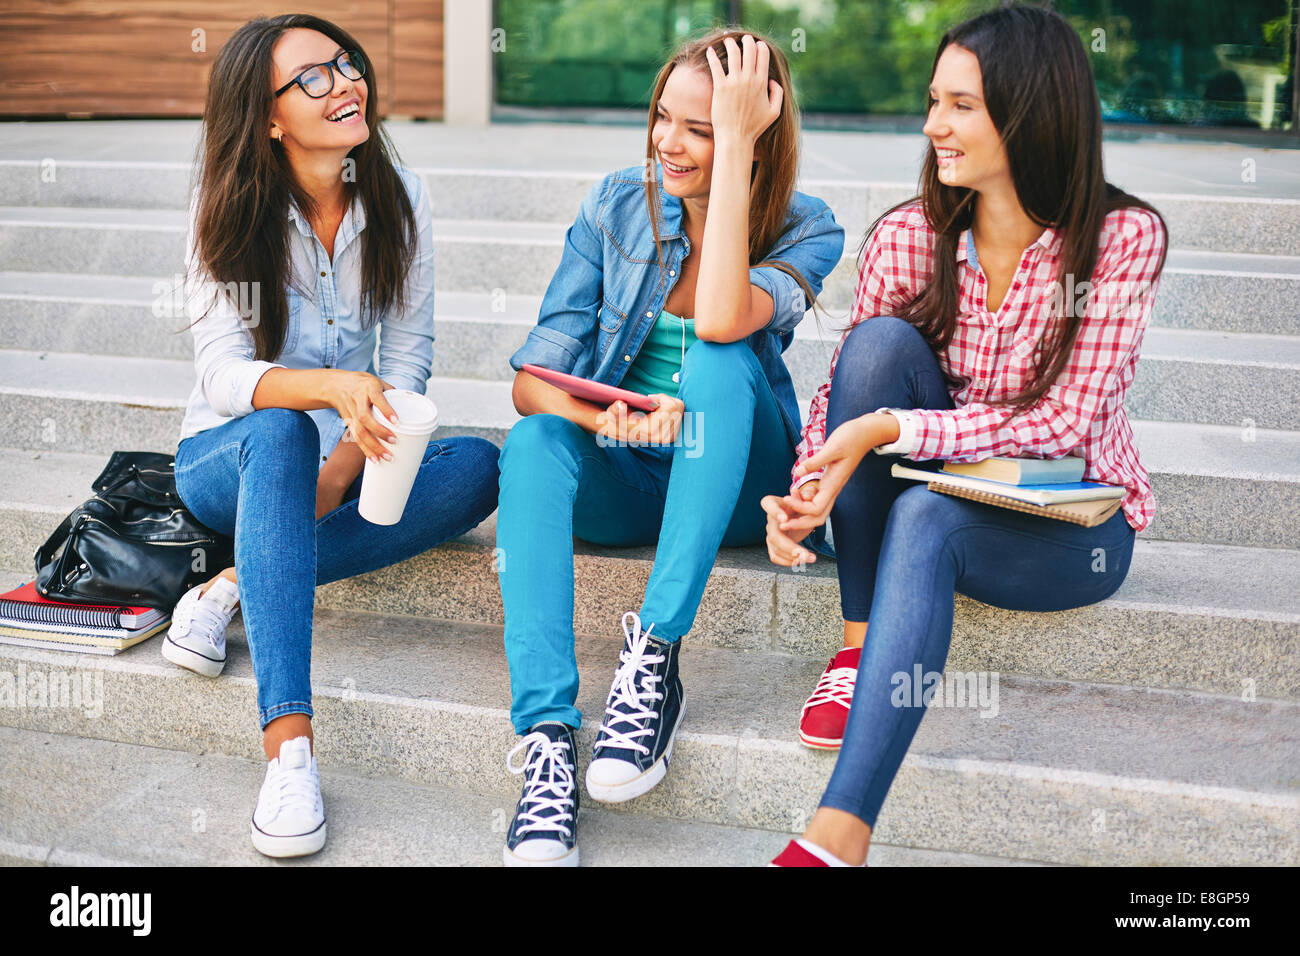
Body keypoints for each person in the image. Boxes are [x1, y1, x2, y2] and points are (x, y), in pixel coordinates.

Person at [763, 4, 1167, 866]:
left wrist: (889, 427)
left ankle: (838, 832)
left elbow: (1062, 419)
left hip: (1070, 521)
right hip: (945, 470)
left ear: (1030, 111)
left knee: (926, 516)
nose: (931, 124)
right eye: (933, 100)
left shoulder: (1121, 240)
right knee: (876, 348)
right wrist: (809, 489)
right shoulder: (913, 235)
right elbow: (847, 388)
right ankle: (860, 643)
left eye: (960, 105)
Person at [497, 30, 844, 866]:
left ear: (755, 132)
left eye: (701, 126)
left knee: (722, 362)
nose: (668, 142)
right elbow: (533, 380)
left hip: (735, 478)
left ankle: (653, 655)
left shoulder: (807, 226)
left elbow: (725, 319)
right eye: (663, 118)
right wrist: (603, 421)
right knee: (535, 440)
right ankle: (547, 741)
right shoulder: (616, 203)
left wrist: (732, 163)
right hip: (631, 471)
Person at [162, 14, 500, 859]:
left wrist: (349, 455)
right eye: (313, 77)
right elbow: (224, 376)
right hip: (230, 458)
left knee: (479, 467)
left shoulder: (400, 197)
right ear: (268, 116)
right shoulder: (229, 205)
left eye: (346, 65)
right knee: (279, 431)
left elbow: (411, 354)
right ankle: (290, 753)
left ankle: (238, 581)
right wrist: (330, 394)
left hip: (343, 459)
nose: (345, 82)